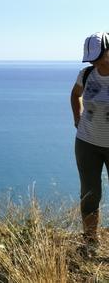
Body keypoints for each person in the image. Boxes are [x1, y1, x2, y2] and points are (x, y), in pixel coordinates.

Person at [72, 32, 109, 254]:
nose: (94, 62)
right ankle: (90, 241)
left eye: (98, 56)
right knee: (89, 193)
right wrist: (78, 119)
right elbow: (75, 95)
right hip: (87, 143)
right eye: (91, 58)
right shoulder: (86, 74)